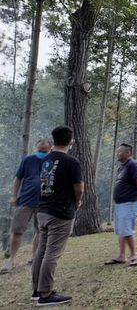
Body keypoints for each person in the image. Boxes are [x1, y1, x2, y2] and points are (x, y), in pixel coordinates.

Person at [31, 125, 84, 306]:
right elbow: (79, 188)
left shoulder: (46, 160)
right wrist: (77, 202)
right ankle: (46, 294)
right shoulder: (71, 162)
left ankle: (37, 290)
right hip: (60, 213)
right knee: (52, 253)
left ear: (53, 142)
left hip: (43, 210)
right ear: (71, 142)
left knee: (42, 250)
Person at [1, 139, 52, 273]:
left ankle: (34, 258)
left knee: (40, 231)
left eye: (44, 151)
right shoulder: (28, 160)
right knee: (17, 230)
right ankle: (11, 260)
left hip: (44, 203)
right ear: (36, 149)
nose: (41, 153)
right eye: (39, 151)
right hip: (25, 200)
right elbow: (18, 178)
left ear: (50, 149)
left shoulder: (53, 161)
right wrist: (14, 195)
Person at [105, 143, 137, 267]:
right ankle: (122, 256)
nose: (118, 154)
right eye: (117, 152)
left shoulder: (132, 164)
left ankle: (134, 255)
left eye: (120, 152)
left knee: (127, 229)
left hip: (130, 202)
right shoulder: (122, 167)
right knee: (122, 230)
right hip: (121, 204)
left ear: (128, 153)